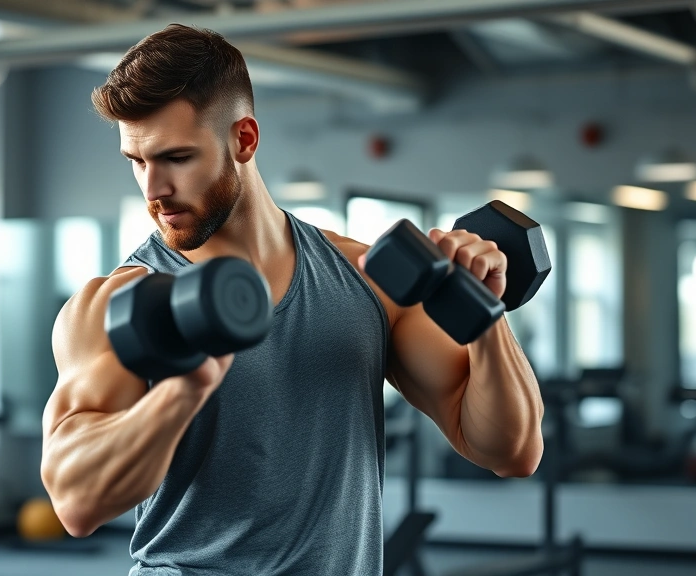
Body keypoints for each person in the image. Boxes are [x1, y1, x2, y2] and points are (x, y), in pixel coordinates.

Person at [40, 23, 544, 576]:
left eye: (176, 157)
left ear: (244, 140)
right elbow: (76, 503)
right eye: (136, 161)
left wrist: (482, 315)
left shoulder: (363, 276)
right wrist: (185, 389)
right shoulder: (116, 303)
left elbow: (509, 450)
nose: (153, 188)